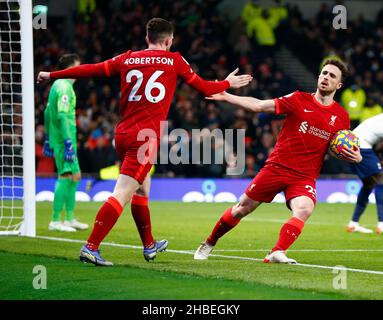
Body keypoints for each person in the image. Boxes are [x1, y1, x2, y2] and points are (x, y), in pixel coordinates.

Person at [37, 17, 252, 266]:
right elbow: (205, 88)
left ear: (147, 38)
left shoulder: (127, 58)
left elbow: (91, 69)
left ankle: (149, 245)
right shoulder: (174, 60)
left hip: (123, 135)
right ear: (169, 40)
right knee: (121, 193)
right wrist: (228, 83)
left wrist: (52, 74)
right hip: (145, 138)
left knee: (142, 189)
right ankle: (91, 247)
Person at [194, 59, 362, 264]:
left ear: (339, 85)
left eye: (332, 76)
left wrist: (356, 155)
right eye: (324, 73)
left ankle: (277, 251)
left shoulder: (341, 117)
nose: (326, 77)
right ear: (318, 76)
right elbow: (259, 106)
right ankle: (209, 242)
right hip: (277, 167)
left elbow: (337, 147)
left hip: (304, 176)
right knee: (242, 208)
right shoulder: (298, 99)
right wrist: (227, 95)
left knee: (305, 208)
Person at [43, 53, 89, 232]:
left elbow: (48, 112)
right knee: (66, 176)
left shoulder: (57, 85)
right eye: (78, 66)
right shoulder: (64, 87)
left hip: (61, 137)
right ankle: (55, 221)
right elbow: (61, 115)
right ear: (70, 68)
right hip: (64, 139)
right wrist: (68, 142)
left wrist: (47, 138)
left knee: (75, 176)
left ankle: (69, 218)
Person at [346, 113, 383, 234]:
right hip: (361, 146)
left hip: (352, 144)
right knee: (380, 181)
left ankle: (353, 223)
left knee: (368, 184)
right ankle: (381, 224)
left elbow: (379, 145)